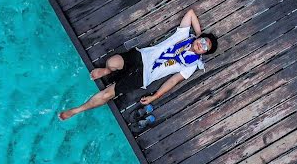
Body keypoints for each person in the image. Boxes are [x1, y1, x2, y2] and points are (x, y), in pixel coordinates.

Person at [58, 9, 218, 121]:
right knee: (112, 62)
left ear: (204, 53)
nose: (202, 45)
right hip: (142, 56)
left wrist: (155, 96)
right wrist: (198, 35)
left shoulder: (191, 66)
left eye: (205, 47)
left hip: (145, 77)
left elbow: (173, 81)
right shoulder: (184, 35)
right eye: (203, 41)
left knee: (108, 94)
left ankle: (76, 110)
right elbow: (190, 13)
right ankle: (107, 70)